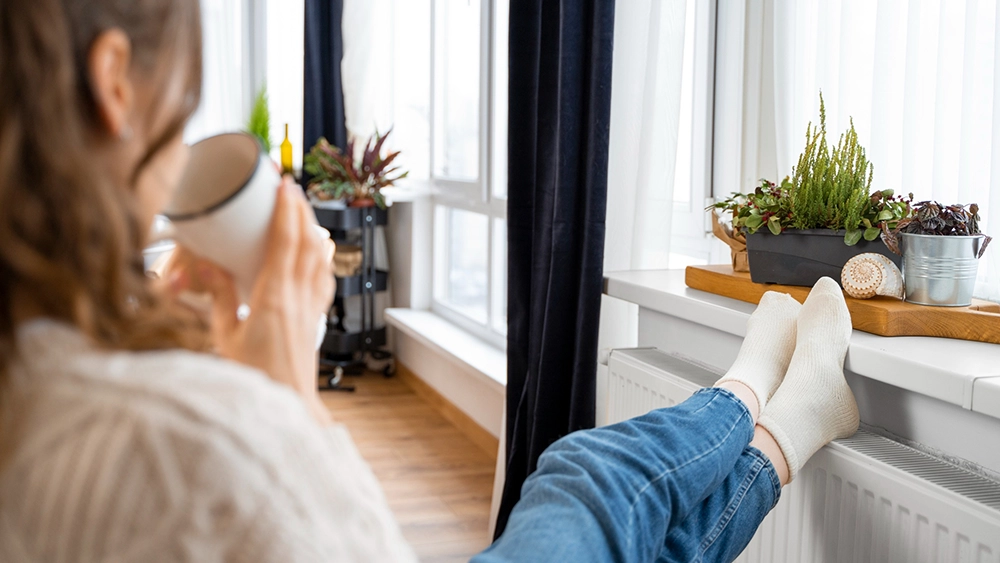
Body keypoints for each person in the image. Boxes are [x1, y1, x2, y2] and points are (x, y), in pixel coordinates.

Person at [0, 1, 859, 562]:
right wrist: (282, 392)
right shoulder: (177, 444)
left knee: (601, 508)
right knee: (588, 475)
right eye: (180, 101)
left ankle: (776, 419)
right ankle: (755, 394)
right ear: (116, 82)